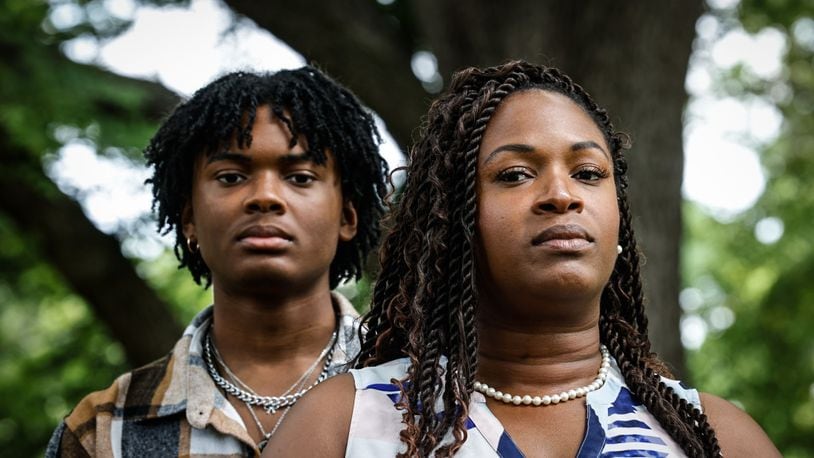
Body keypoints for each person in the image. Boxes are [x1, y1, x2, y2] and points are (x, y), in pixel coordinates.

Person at [262, 60, 780, 457]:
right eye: (514, 174)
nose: (562, 194)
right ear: (452, 226)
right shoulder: (342, 425)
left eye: (588, 173)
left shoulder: (713, 436)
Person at [46, 66, 388, 456]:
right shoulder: (103, 431)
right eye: (229, 177)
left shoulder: (430, 400)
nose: (265, 196)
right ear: (189, 217)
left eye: (300, 177)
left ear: (347, 217)